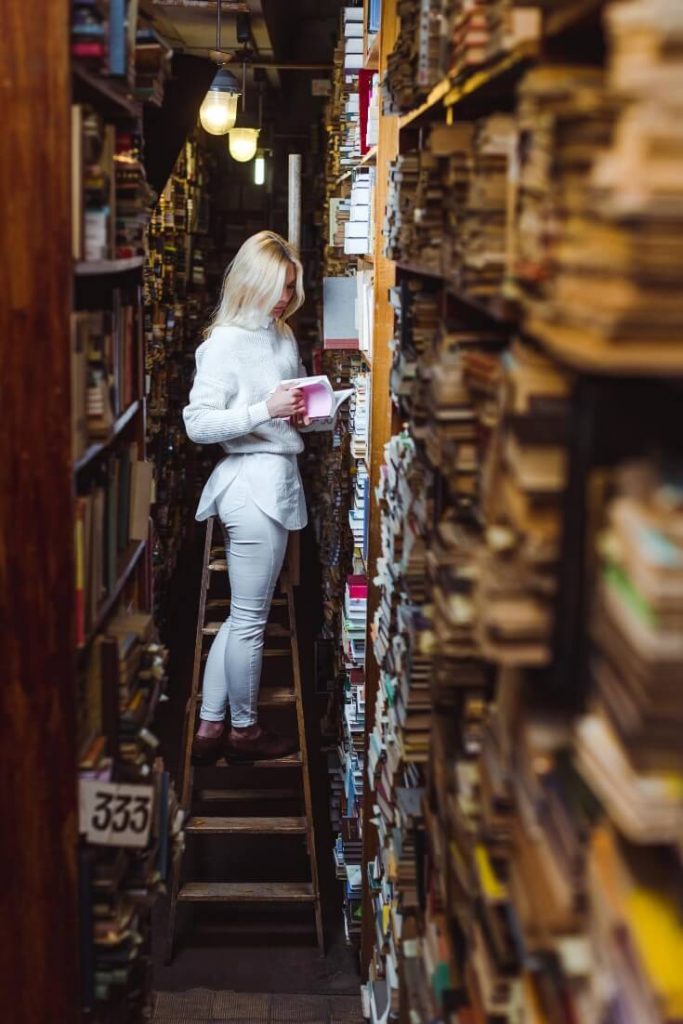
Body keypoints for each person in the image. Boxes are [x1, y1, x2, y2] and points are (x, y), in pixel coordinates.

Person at [183, 230, 310, 764]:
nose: (283, 297)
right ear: (250, 283)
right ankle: (246, 730)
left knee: (241, 617)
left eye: (290, 286)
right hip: (251, 485)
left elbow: (293, 406)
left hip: (277, 473)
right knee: (253, 618)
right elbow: (198, 424)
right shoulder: (223, 344)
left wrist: (309, 412)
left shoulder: (282, 336)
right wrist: (265, 410)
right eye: (276, 286)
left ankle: (212, 725)